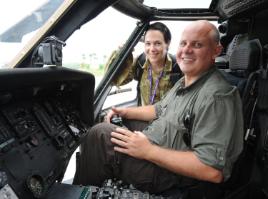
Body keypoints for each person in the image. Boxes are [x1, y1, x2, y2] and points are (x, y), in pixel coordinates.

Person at [73, 20, 244, 196]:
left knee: (100, 136)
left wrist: (148, 151)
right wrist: (124, 112)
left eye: (197, 45)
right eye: (183, 43)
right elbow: (160, 109)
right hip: (159, 144)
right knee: (114, 122)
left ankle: (74, 193)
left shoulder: (216, 97)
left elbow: (212, 170)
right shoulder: (187, 80)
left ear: (216, 51)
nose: (186, 50)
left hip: (173, 175)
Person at [106, 22, 182, 106]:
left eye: (157, 43)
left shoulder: (178, 67)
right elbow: (114, 81)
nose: (152, 49)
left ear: (167, 44)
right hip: (144, 117)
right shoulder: (139, 63)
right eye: (148, 43)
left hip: (170, 118)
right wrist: (121, 54)